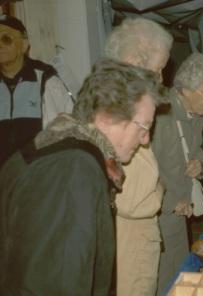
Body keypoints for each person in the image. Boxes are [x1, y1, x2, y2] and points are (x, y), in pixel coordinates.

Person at [0, 58, 164, 295]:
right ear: (109, 117)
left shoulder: (63, 148)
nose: (145, 139)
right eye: (144, 126)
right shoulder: (73, 169)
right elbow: (57, 285)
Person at [104, 17, 173, 296]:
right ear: (134, 60)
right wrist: (160, 188)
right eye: (158, 69)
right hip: (128, 243)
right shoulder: (120, 107)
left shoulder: (116, 97)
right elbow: (133, 199)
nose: (161, 79)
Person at [153, 53, 203, 295]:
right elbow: (143, 171)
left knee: (179, 274)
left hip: (180, 209)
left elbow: (197, 149)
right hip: (155, 213)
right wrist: (171, 202)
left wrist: (200, 164)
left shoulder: (196, 112)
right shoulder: (157, 113)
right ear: (186, 89)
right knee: (158, 280)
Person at [0, 14, 74, 168]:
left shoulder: (45, 78)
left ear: (24, 45)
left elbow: (70, 124)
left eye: (6, 39)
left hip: (37, 175)